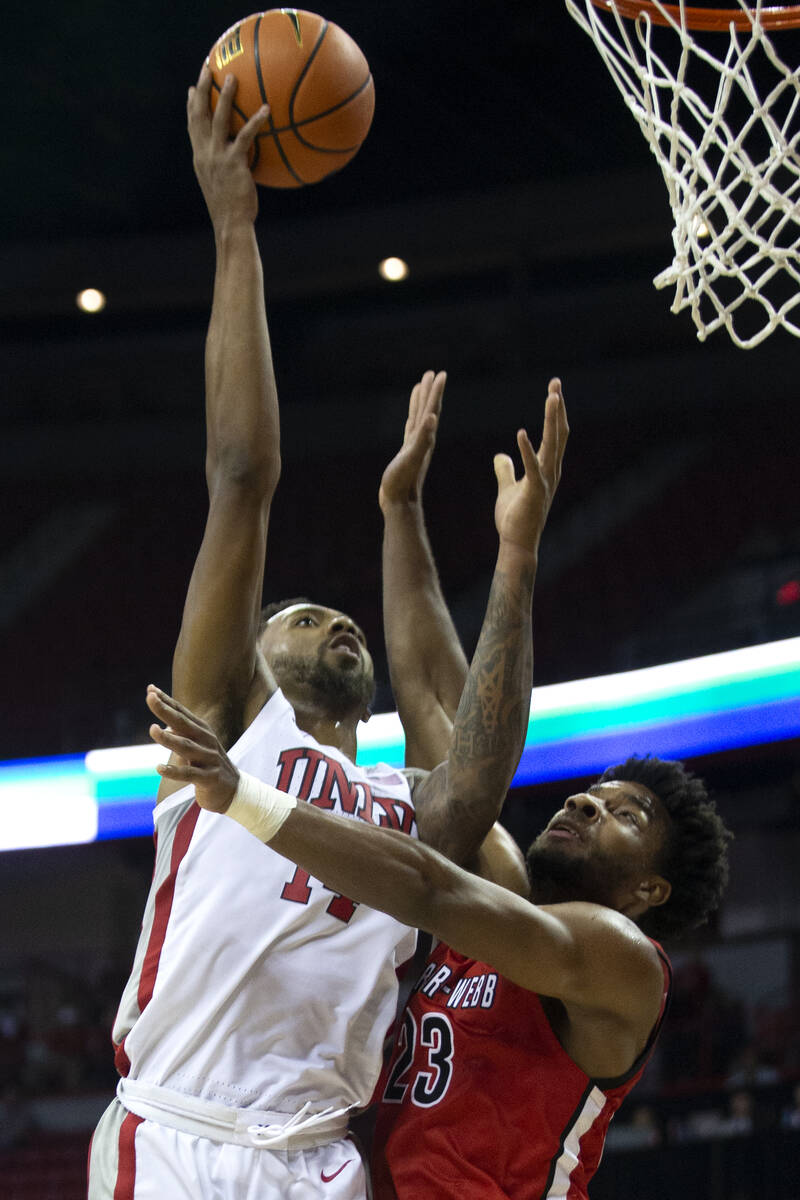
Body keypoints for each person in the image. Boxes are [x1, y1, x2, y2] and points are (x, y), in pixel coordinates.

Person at [86, 62, 568, 1200]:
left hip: (318, 1163)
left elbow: (486, 754)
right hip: (175, 1133)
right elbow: (241, 476)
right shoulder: (223, 735)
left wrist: (512, 558)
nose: (333, 619)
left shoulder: (411, 808)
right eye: (301, 616)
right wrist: (236, 229)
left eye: (340, 617)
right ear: (249, 661)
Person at [143, 689, 732, 1200]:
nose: (586, 801)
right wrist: (504, 558)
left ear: (651, 888)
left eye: (626, 814)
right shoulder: (502, 915)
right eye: (593, 792)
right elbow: (433, 708)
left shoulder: (625, 959)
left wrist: (245, 798)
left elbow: (428, 886)